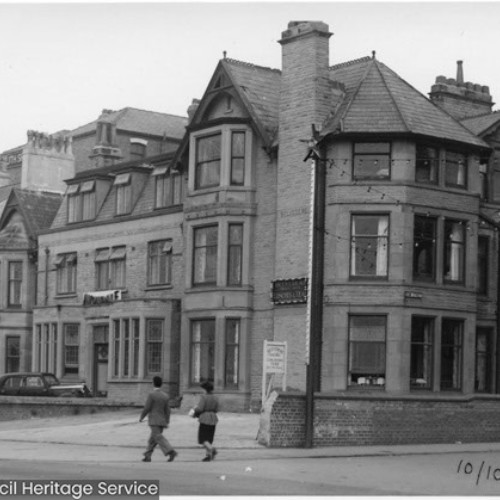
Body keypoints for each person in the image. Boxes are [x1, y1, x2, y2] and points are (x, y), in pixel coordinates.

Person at [139, 376, 178, 463]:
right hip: (162, 420)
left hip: (154, 420)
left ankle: (171, 451)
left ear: (153, 383)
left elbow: (147, 408)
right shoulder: (165, 396)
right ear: (161, 384)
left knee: (158, 437)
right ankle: (147, 456)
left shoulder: (152, 395)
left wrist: (142, 417)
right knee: (152, 439)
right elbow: (167, 410)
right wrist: (167, 420)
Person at [191, 380, 219, 462]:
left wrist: (194, 411)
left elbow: (200, 408)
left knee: (202, 438)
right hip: (213, 418)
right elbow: (217, 409)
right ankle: (209, 455)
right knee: (209, 438)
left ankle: (212, 449)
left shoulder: (204, 397)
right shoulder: (215, 397)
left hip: (205, 418)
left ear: (205, 389)